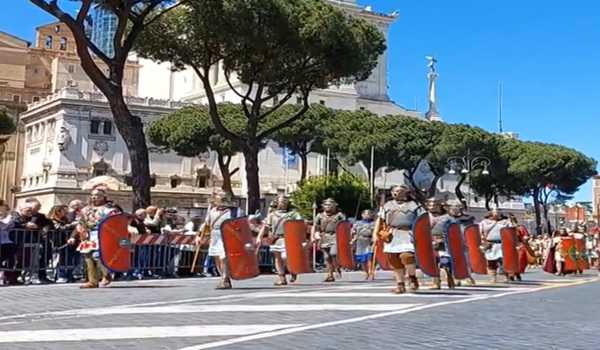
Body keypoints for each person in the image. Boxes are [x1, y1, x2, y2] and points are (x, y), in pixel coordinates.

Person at [381, 185, 422, 294]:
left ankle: (412, 277)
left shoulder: (414, 205)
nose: (398, 193)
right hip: (392, 234)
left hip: (408, 233)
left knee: (407, 256)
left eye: (400, 191)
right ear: (392, 192)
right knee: (394, 261)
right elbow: (381, 221)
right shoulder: (387, 205)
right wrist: (376, 234)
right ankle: (400, 284)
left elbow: (422, 221)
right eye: (396, 191)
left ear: (406, 192)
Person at [77, 186, 120, 289]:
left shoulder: (109, 209)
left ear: (103, 197)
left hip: (101, 233)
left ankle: (106, 274)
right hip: (88, 233)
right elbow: (81, 221)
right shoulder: (86, 209)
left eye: (97, 195)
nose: (94, 197)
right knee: (88, 256)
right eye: (92, 195)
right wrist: (80, 228)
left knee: (98, 255)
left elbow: (115, 222)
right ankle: (92, 281)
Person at [196, 190, 239, 289]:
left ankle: (225, 278)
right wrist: (199, 235)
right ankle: (224, 278)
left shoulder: (233, 211)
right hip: (215, 235)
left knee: (223, 257)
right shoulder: (212, 211)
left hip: (227, 235)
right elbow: (206, 225)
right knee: (216, 257)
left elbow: (239, 225)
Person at [257, 196, 302, 286]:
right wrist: (259, 237)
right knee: (277, 258)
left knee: (285, 256)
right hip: (275, 238)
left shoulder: (293, 214)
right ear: (277, 203)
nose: (283, 203)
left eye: (285, 202)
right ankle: (282, 278)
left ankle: (292, 270)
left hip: (287, 238)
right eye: (281, 202)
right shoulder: (272, 215)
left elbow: (300, 224)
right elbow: (266, 226)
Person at [312, 198, 346, 283]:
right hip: (324, 236)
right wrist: (314, 236)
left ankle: (337, 268)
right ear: (323, 206)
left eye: (330, 204)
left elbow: (345, 226)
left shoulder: (339, 215)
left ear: (334, 206)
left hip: (335, 236)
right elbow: (316, 227)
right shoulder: (319, 216)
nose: (328, 206)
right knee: (326, 257)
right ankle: (330, 274)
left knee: (333, 253)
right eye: (326, 205)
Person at [446, 200, 477, 286]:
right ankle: (455, 278)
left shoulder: (468, 218)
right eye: (452, 206)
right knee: (452, 261)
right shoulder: (445, 218)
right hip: (450, 242)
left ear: (460, 208)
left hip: (464, 242)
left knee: (465, 260)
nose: (454, 208)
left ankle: (467, 276)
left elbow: (473, 230)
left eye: (456, 206)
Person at [427, 197, 454, 290]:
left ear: (439, 206)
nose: (432, 206)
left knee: (445, 261)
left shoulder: (448, 217)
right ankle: (436, 282)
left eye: (434, 204)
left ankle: (449, 275)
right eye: (430, 204)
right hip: (429, 241)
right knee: (433, 262)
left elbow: (454, 230)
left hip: (444, 241)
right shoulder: (424, 217)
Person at [47, 205, 79, 283]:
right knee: (58, 260)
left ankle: (69, 275)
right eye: (64, 211)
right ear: (58, 212)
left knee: (67, 259)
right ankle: (59, 275)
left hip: (66, 242)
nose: (66, 213)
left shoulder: (65, 220)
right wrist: (71, 225)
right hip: (57, 242)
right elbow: (58, 228)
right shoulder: (52, 220)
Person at [480, 209, 513, 283]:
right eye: (495, 212)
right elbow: (480, 232)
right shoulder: (484, 222)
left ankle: (505, 276)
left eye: (498, 212)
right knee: (491, 262)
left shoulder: (505, 222)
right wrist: (482, 240)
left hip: (502, 244)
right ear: (491, 213)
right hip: (490, 244)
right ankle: (493, 277)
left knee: (503, 261)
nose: (497, 214)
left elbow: (512, 230)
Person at [351, 209, 375, 280]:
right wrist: (352, 237)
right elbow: (353, 232)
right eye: (365, 214)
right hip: (360, 241)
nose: (367, 215)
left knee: (369, 257)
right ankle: (366, 273)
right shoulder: (357, 223)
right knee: (362, 259)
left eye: (369, 214)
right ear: (362, 215)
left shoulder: (374, 223)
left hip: (370, 241)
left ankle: (371, 272)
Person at [0, 203, 16, 285]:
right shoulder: (7, 218)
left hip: (7, 242)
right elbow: (3, 226)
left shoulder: (8, 218)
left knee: (10, 260)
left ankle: (7, 277)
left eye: (6, 209)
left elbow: (10, 226)